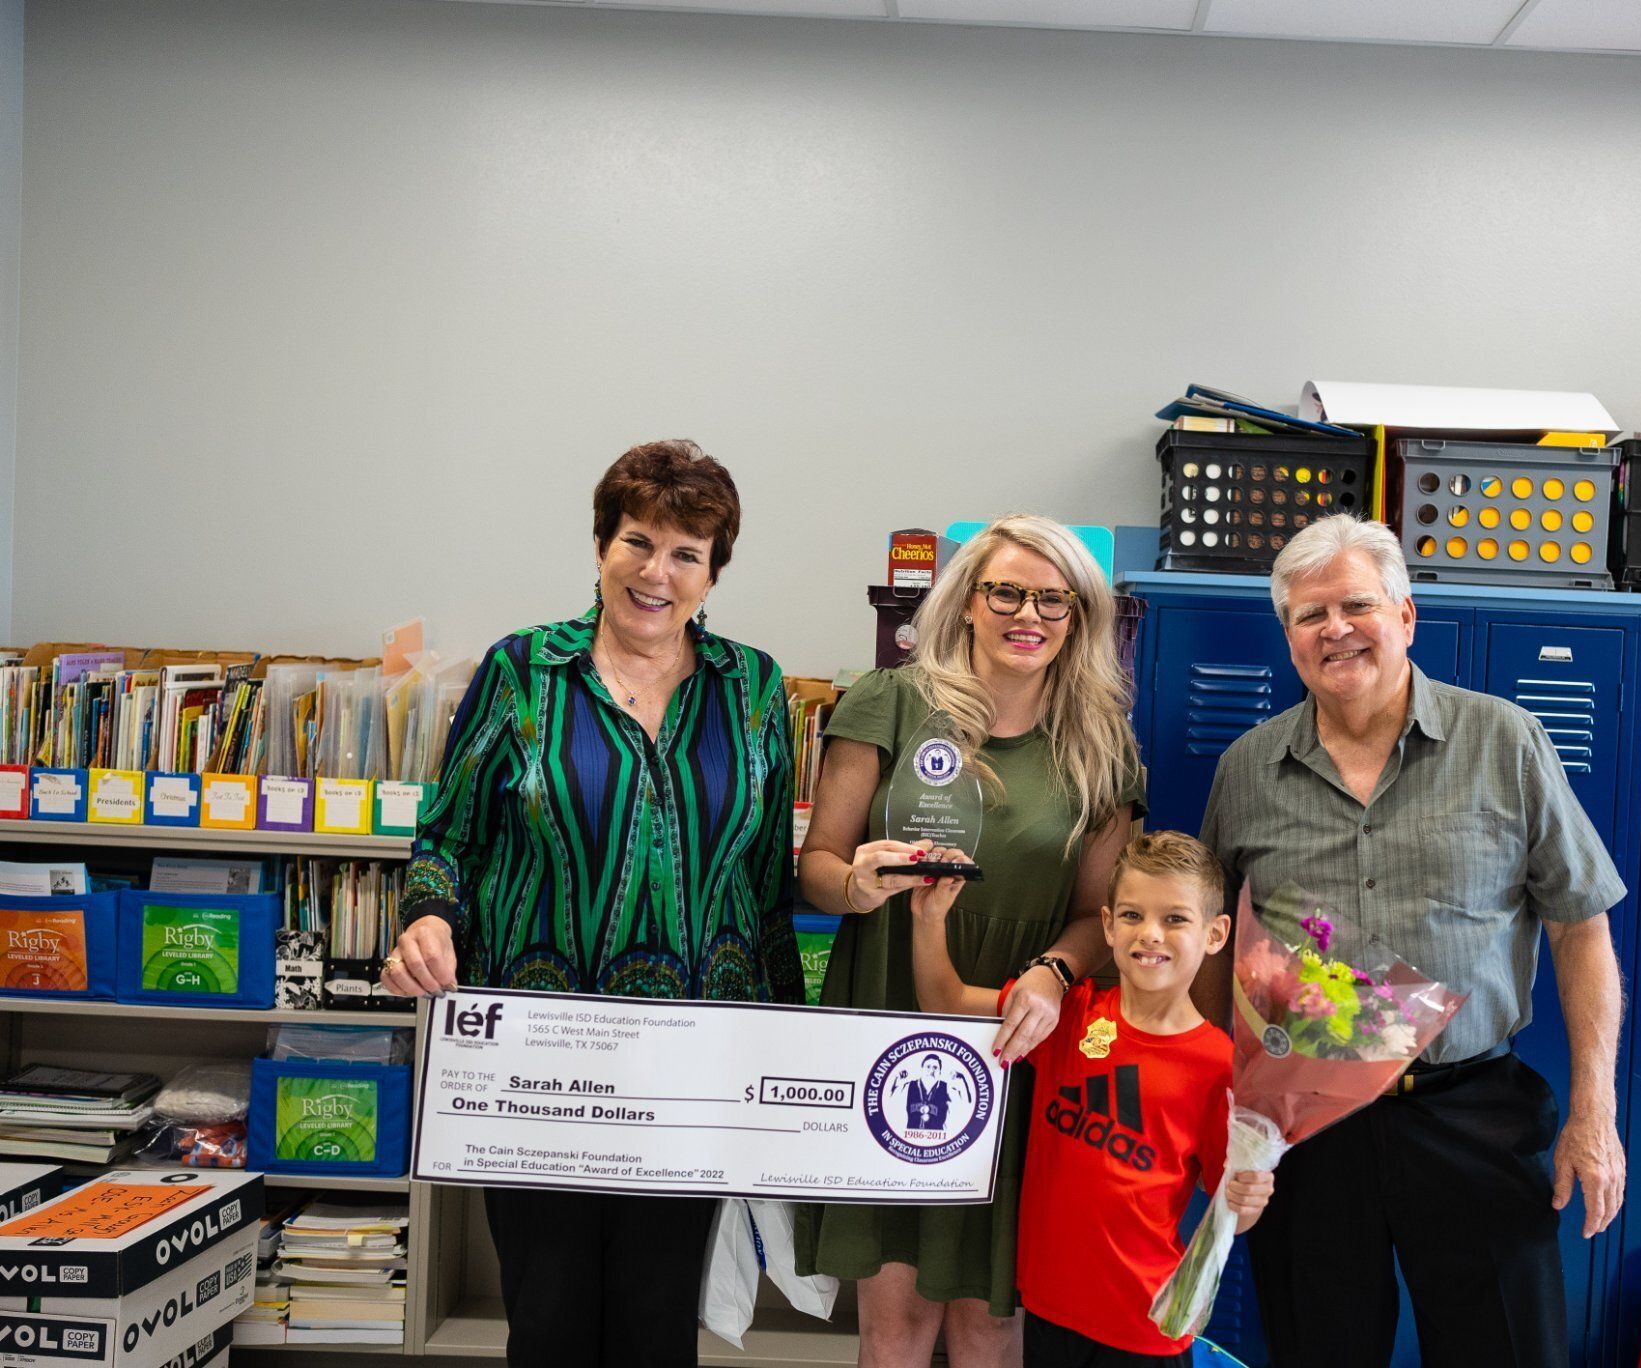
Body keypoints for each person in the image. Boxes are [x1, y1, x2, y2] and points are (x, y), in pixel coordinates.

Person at [380, 439, 801, 1368]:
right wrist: (428, 917)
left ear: (712, 571)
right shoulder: (523, 671)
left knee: (657, 1328)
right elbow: (448, 839)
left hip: (692, 1068)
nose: (658, 572)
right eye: (638, 542)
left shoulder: (756, 689)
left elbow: (767, 888)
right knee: (551, 1320)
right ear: (602, 547)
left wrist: (781, 1056)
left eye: (686, 553)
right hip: (539, 1062)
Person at [1198, 514, 1627, 1368]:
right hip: (1306, 1126)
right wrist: (1221, 1107)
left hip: (1471, 1115)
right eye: (1311, 616)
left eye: (1356, 604)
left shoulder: (1503, 740)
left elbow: (1581, 925)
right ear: (1288, 638)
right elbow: (1210, 945)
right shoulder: (1247, 769)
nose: (1337, 630)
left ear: (1404, 616)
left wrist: (1595, 1111)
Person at [791, 514, 1146, 1367]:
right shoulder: (893, 701)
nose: (1030, 614)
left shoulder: (1102, 744)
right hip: (888, 1011)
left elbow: (1102, 918)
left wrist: (1057, 975)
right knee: (897, 1319)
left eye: (1055, 599)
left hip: (1016, 1033)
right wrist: (858, 881)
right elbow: (817, 871)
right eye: (1008, 591)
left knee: (993, 1321)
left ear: (1080, 617)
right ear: (968, 602)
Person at [909, 830, 1274, 1368]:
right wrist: (927, 919)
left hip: (1144, 1327)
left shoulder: (1219, 1066)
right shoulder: (1066, 1015)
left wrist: (1250, 1197)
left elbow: (1230, 1216)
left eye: (1175, 919)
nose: (1150, 934)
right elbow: (947, 1000)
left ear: (1217, 933)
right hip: (1050, 1310)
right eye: (1132, 915)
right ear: (1107, 925)